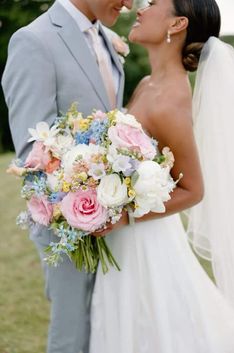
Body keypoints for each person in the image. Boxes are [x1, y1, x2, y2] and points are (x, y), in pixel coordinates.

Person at [89, 0, 234, 352]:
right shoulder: (149, 83)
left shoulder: (169, 101)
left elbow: (193, 189)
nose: (141, 8)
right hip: (131, 235)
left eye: (154, 4)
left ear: (177, 24)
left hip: (146, 241)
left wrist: (123, 216)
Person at [1, 0, 133, 352]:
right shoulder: (35, 41)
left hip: (114, 216)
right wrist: (80, 204)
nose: (130, 4)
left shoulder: (106, 37)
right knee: (72, 334)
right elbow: (33, 151)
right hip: (68, 226)